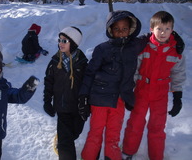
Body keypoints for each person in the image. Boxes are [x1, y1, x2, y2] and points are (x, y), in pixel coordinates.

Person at [78, 10, 149, 160]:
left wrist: (173, 37)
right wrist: (83, 97)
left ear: (131, 29)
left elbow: (150, 38)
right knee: (95, 133)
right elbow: (90, 73)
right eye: (116, 29)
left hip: (119, 100)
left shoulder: (134, 46)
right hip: (99, 99)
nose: (121, 33)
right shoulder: (102, 49)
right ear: (110, 30)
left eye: (124, 29)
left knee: (113, 135)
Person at [122, 11, 186, 160]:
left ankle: (156, 156)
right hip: (142, 90)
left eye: (167, 29)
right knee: (135, 123)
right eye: (159, 29)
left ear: (173, 30)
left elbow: (178, 74)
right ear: (151, 29)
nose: (163, 33)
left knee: (157, 126)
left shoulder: (176, 51)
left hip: (160, 93)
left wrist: (178, 97)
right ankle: (128, 152)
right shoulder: (143, 47)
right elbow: (134, 69)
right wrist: (129, 92)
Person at [43, 26, 88, 160]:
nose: (60, 43)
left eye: (64, 41)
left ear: (73, 43)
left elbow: (87, 85)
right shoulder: (55, 61)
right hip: (62, 107)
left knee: (75, 132)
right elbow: (49, 82)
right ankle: (63, 144)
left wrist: (86, 104)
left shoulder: (82, 63)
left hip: (77, 107)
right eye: (60, 40)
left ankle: (64, 138)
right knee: (65, 141)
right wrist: (47, 101)